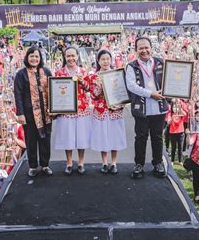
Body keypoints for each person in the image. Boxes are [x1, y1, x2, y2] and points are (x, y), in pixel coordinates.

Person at [125, 37, 168, 179]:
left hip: (158, 107)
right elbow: (131, 86)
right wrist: (150, 94)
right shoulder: (131, 66)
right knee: (141, 137)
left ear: (151, 47)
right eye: (140, 48)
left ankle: (158, 163)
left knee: (157, 137)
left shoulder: (161, 62)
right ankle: (139, 165)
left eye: (146, 47)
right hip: (141, 108)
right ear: (136, 50)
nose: (144, 50)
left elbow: (170, 81)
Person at [14, 46, 53, 177]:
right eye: (32, 56)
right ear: (27, 57)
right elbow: (18, 94)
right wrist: (20, 113)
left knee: (46, 140)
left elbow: (53, 90)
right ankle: (32, 166)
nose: (34, 59)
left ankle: (45, 164)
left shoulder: (46, 71)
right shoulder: (21, 74)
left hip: (45, 113)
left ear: (40, 58)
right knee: (31, 140)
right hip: (29, 114)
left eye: (37, 56)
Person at [87, 50, 126, 174]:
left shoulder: (117, 74)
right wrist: (101, 84)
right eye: (103, 59)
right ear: (98, 61)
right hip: (101, 109)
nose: (105, 61)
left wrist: (120, 104)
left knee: (115, 135)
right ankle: (104, 162)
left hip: (115, 109)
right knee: (102, 136)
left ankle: (114, 163)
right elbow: (93, 95)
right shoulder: (94, 76)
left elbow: (122, 93)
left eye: (108, 59)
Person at [54, 46, 92, 175]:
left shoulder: (83, 71)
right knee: (67, 136)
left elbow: (88, 89)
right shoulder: (60, 72)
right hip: (66, 109)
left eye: (73, 56)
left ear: (77, 57)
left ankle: (81, 162)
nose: (71, 58)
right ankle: (69, 162)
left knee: (81, 136)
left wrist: (82, 82)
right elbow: (56, 91)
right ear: (65, 57)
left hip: (81, 108)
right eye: (68, 56)